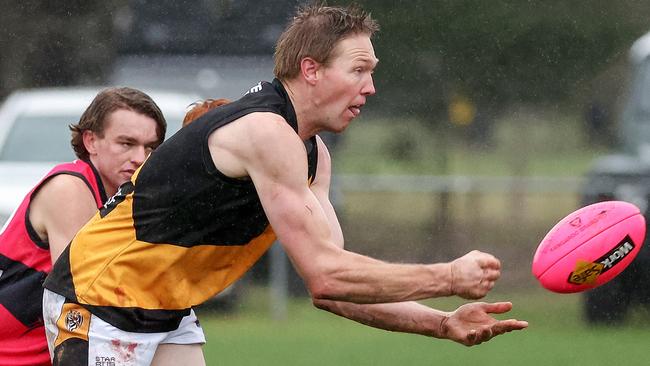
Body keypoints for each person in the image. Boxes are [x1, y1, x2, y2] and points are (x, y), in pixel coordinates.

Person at [43, 4, 528, 365]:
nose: (371, 87)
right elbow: (328, 274)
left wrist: (443, 323)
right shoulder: (267, 132)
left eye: (372, 73)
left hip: (168, 307)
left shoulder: (313, 154)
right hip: (99, 299)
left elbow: (334, 288)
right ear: (311, 70)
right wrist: (448, 278)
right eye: (358, 70)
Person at [0, 87, 166, 366]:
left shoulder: (123, 198)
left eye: (150, 147)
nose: (140, 158)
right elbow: (84, 291)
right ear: (90, 141)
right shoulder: (71, 187)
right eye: (127, 143)